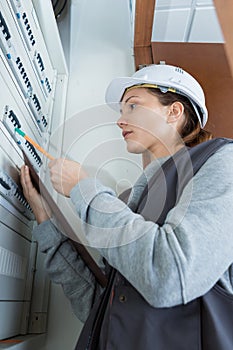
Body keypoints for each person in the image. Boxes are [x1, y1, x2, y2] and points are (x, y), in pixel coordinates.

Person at [20, 64, 233, 350]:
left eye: (132, 106)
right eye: (121, 111)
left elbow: (168, 273)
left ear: (174, 112)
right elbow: (105, 308)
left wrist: (84, 188)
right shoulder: (131, 199)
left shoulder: (222, 160)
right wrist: (45, 222)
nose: (120, 120)